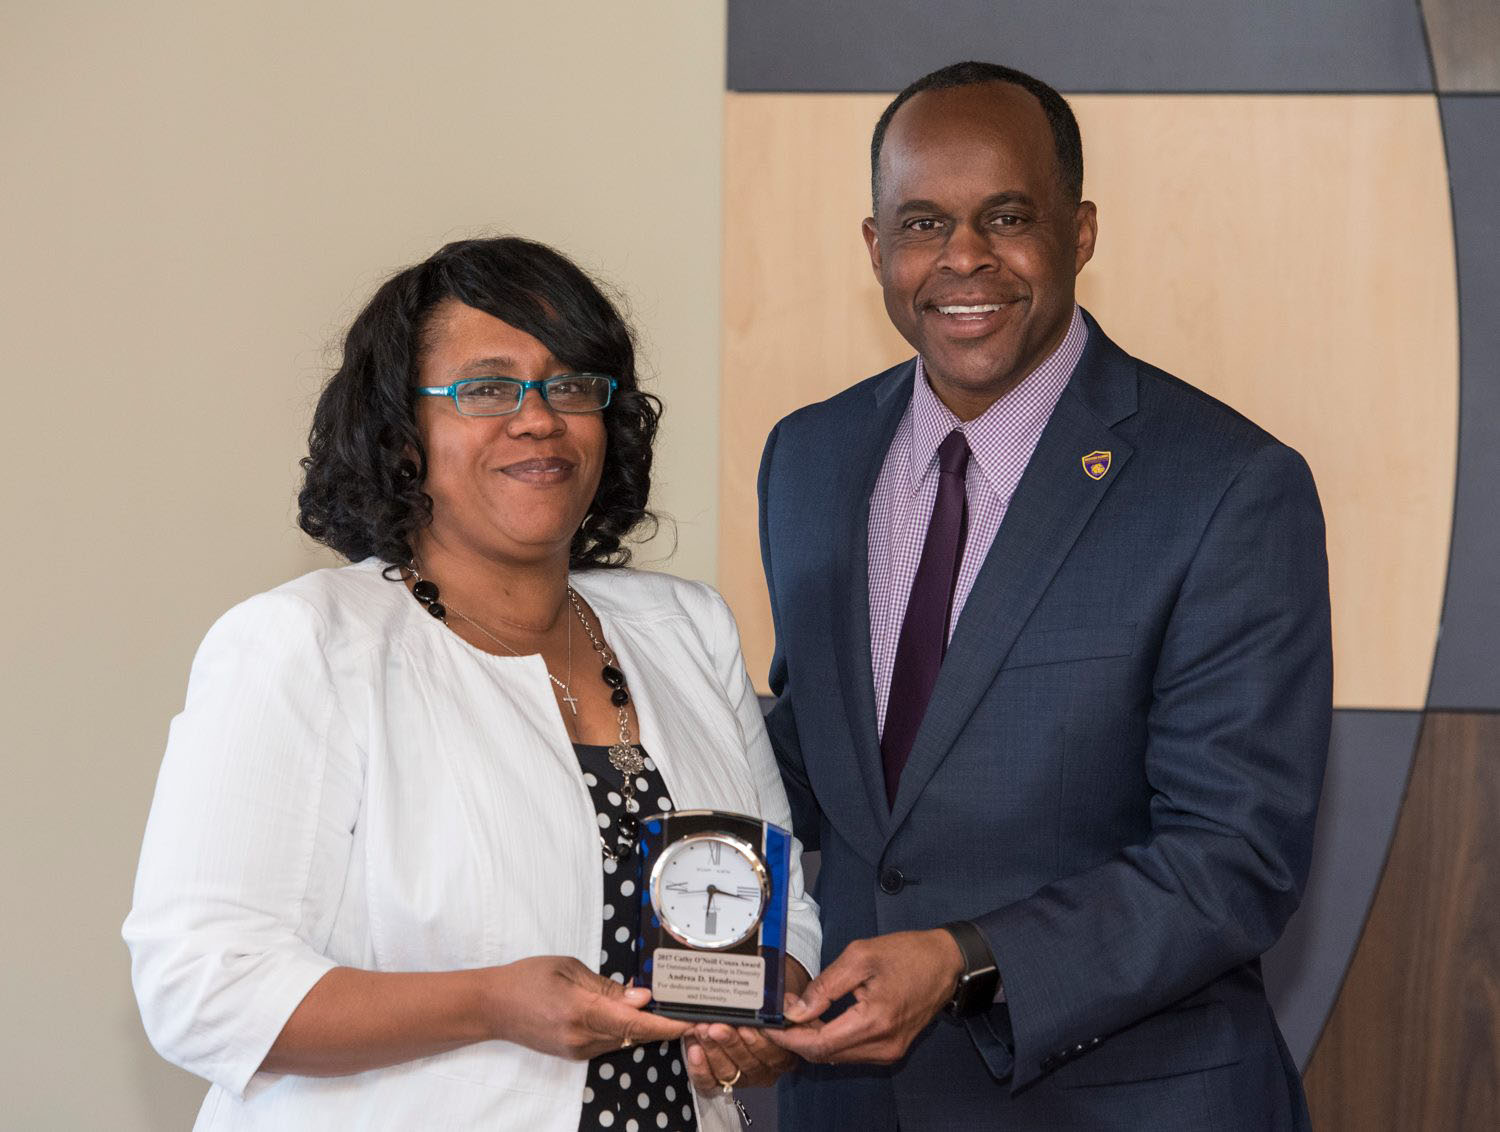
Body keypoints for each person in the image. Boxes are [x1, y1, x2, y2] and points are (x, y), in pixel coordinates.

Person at [124, 236, 820, 1131]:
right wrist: (490, 1003)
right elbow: (201, 987)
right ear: (400, 434)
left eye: (571, 386)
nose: (538, 419)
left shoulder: (687, 629)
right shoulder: (305, 644)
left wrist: (769, 1005)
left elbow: (778, 902)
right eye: (487, 389)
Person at [757, 63, 1331, 1130]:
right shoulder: (809, 456)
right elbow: (815, 759)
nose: (963, 256)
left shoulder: (1228, 485)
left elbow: (1234, 857)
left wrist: (965, 959)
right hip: (849, 1104)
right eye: (922, 223)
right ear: (876, 248)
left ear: (1081, 233)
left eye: (1008, 217)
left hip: (1120, 1104)